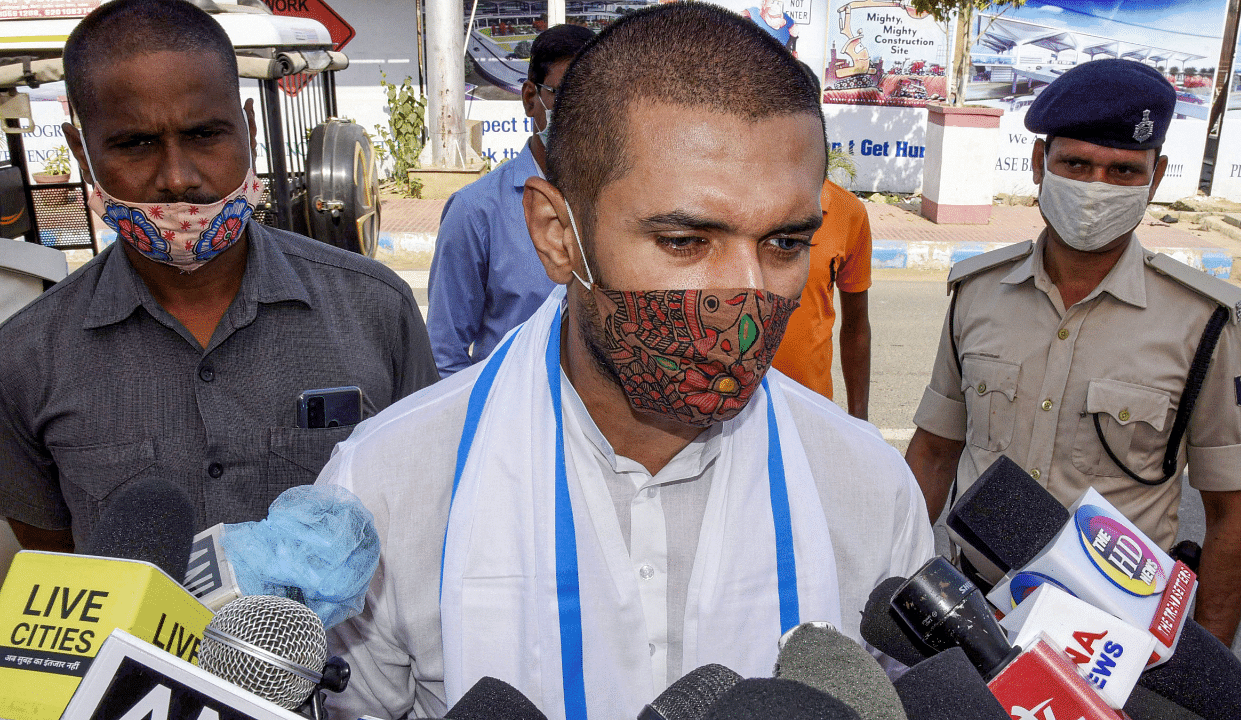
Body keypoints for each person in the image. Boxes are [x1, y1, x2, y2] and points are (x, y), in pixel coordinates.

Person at [318, 5, 935, 719]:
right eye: (684, 241)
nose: (749, 295)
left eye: (785, 243)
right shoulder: (391, 488)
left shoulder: (868, 489)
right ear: (558, 235)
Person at [0, 0, 437, 553]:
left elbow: (428, 518)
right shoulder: (24, 360)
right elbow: (57, 566)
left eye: (206, 135)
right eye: (135, 144)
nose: (178, 178)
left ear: (248, 133)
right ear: (82, 155)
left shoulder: (376, 310)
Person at [905, 59, 1241, 648]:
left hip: (1113, 639)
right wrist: (898, 577)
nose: (1096, 188)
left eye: (1123, 170)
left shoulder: (1203, 323)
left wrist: (1205, 676)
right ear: (1039, 163)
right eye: (1076, 163)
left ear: (1157, 176)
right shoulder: (978, 293)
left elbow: (1232, 514)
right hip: (971, 615)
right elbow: (935, 451)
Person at [427, 24, 595, 377]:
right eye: (566, 96)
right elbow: (444, 356)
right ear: (530, 98)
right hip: (509, 422)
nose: (583, 115)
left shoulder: (619, 207)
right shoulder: (476, 212)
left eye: (594, 99)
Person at [770, 178, 871, 418]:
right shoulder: (733, 198)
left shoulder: (846, 210)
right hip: (731, 408)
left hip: (810, 407)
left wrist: (859, 421)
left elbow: (856, 325)